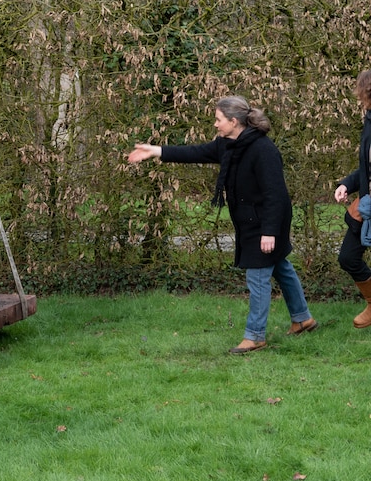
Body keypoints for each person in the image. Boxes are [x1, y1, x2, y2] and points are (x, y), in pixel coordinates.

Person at [128, 95, 316, 354]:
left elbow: (276, 194)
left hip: (266, 222)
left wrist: (269, 232)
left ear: (234, 121)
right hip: (250, 221)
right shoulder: (228, 145)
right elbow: (196, 152)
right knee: (281, 267)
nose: (215, 125)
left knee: (258, 276)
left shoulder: (263, 150)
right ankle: (303, 318)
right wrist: (156, 151)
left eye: (218, 120)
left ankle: (255, 336)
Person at [334, 70, 371, 327]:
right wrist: (347, 184)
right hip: (367, 206)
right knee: (348, 257)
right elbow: (366, 168)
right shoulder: (369, 121)